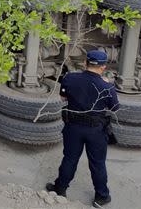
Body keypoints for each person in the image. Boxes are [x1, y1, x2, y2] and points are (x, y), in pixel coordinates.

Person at [46, 50, 119, 208]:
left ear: (86, 63)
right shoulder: (107, 86)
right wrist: (106, 83)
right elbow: (114, 107)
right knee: (98, 163)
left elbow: (63, 97)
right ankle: (101, 197)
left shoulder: (70, 78)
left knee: (70, 159)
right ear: (103, 67)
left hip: (73, 127)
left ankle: (60, 189)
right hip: (96, 131)